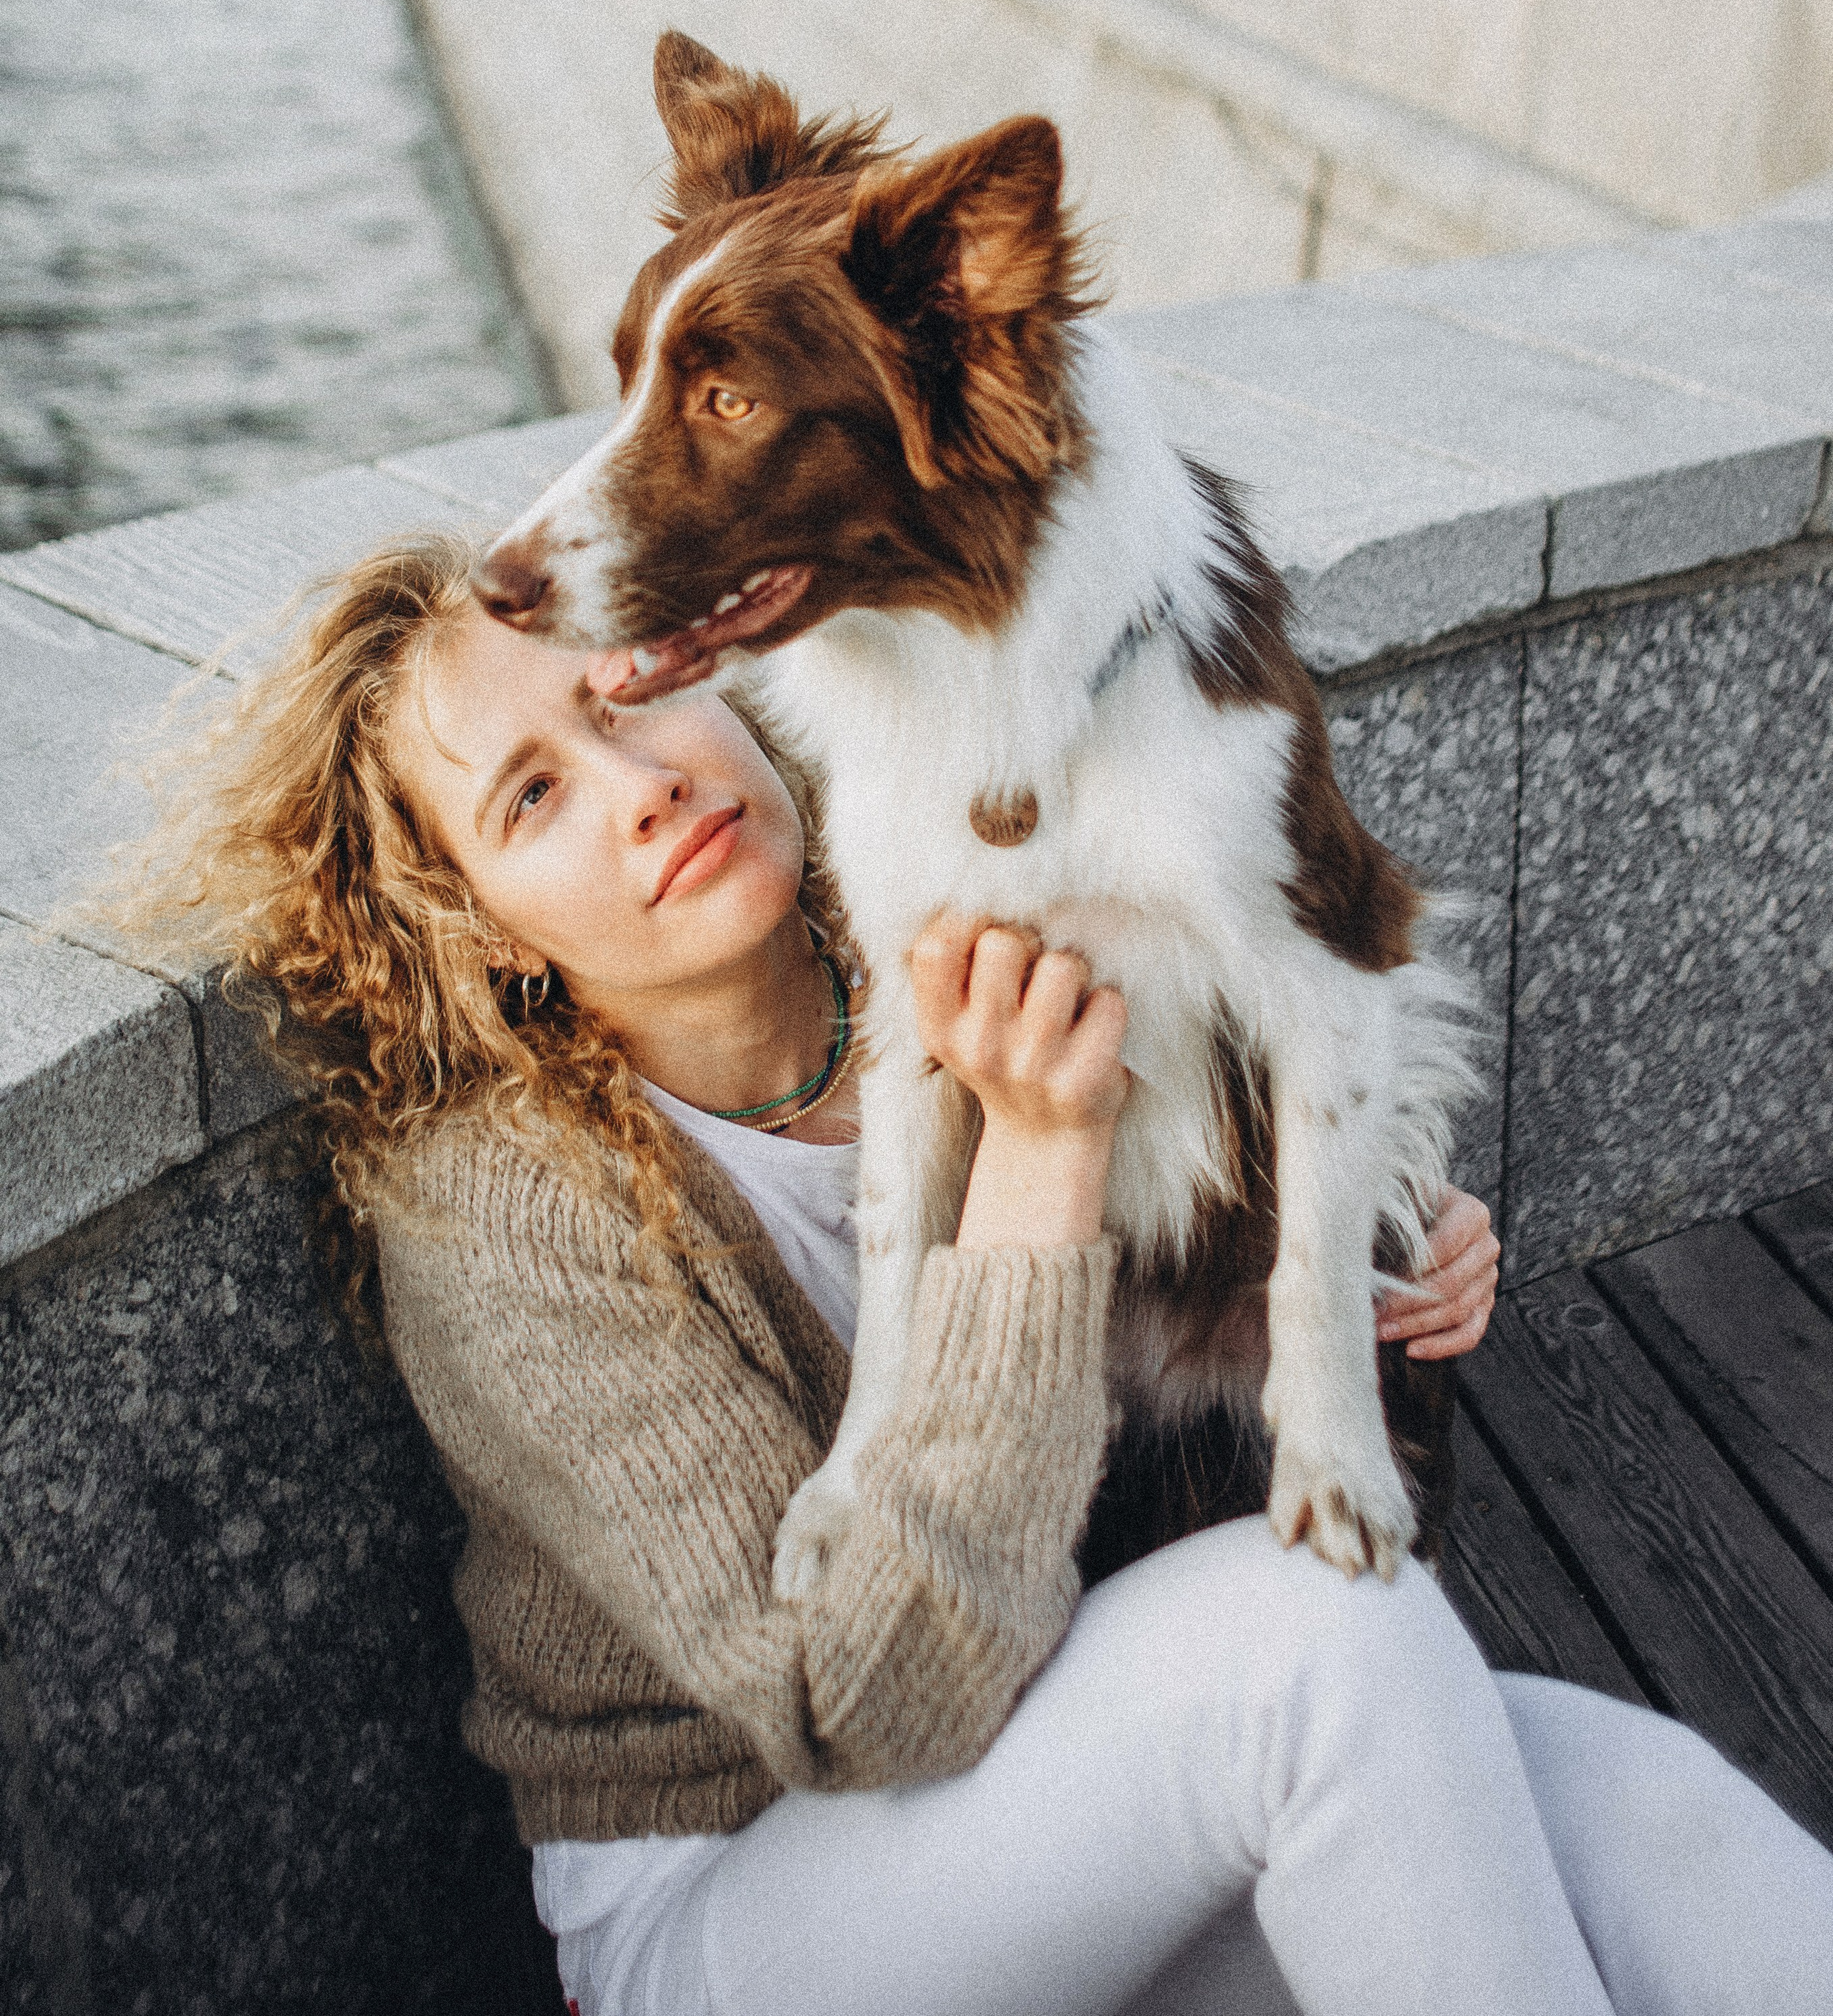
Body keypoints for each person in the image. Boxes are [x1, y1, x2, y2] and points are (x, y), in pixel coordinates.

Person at [118, 537, 1833, 2016]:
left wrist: (1354, 1263)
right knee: (1315, 1644)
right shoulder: (504, 1209)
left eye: (626, 691)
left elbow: (1236, 1410)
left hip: (1053, 1743)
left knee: (1636, 1806)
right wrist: (1037, 1163)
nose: (638, 776)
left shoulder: (944, 924)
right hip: (740, 1901)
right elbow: (846, 1703)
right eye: (535, 793)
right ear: (482, 922)